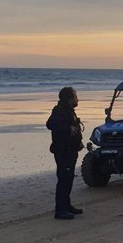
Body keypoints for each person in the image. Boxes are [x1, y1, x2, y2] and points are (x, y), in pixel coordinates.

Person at [46, 87, 85, 220]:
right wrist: (67, 128)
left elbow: (74, 130)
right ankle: (60, 210)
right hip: (63, 151)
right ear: (69, 99)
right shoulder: (59, 111)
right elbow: (50, 124)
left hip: (71, 150)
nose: (77, 99)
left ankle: (66, 205)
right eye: (75, 97)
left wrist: (78, 142)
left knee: (68, 179)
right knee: (63, 179)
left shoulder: (69, 111)